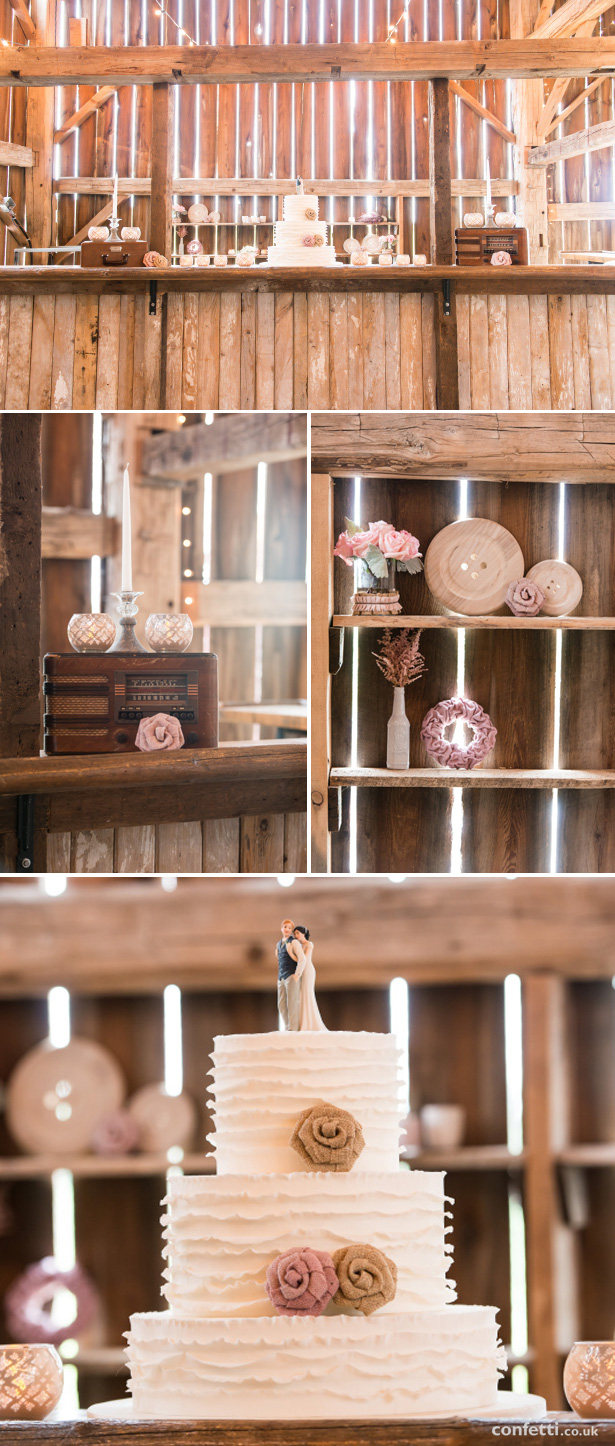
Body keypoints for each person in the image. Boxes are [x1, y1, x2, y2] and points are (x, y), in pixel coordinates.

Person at [292, 925, 327, 1032]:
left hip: (307, 970)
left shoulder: (309, 944)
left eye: (298, 933)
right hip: (301, 969)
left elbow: (304, 959)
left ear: (303, 933)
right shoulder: (300, 946)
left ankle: (310, 1023)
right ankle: (302, 1022)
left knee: (307, 994)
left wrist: (289, 954)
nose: (296, 936)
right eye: (295, 934)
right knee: (302, 994)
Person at [276, 918, 301, 1031]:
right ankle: (287, 1026)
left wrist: (297, 974)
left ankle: (293, 1028)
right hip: (281, 976)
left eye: (289, 928)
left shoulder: (294, 942)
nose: (287, 929)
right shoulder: (278, 944)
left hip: (291, 974)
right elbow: (279, 958)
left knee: (292, 1002)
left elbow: (302, 959)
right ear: (282, 928)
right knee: (281, 1004)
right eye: (285, 927)